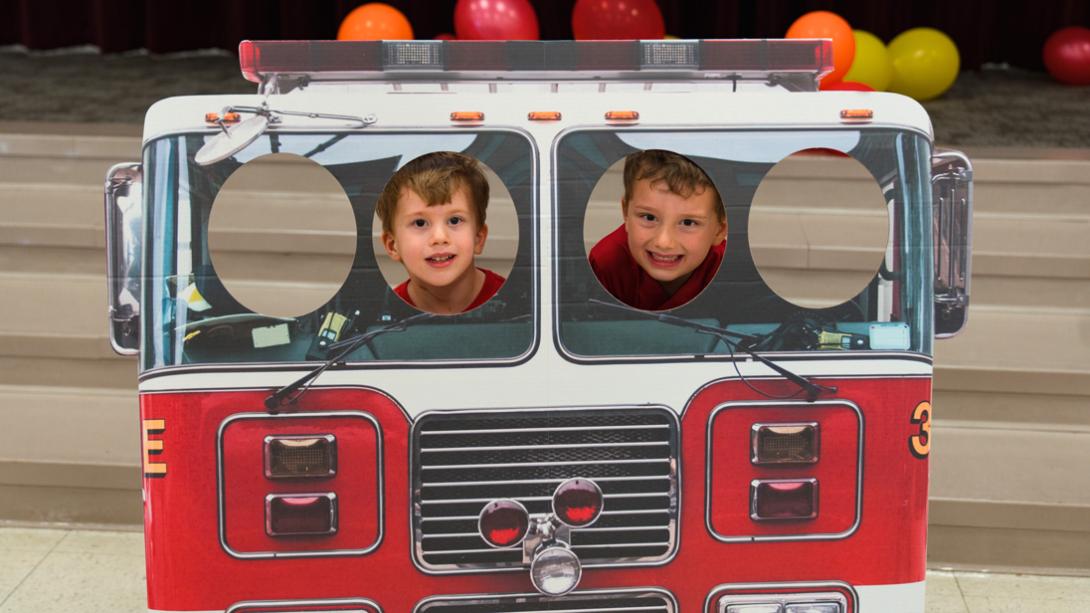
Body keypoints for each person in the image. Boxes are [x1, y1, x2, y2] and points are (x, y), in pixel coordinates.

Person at [589, 149, 727, 311]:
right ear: (626, 213)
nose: (664, 242)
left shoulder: (727, 267)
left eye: (688, 222)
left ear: (719, 231)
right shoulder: (606, 263)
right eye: (649, 217)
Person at [377, 151, 505, 314]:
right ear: (392, 246)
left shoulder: (517, 300)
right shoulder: (386, 313)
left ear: (478, 238)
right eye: (420, 223)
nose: (439, 238)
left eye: (454, 220)